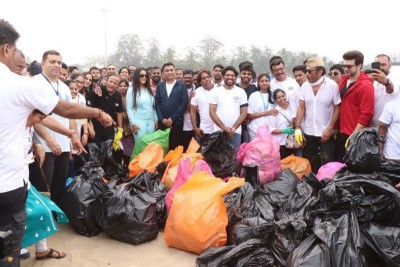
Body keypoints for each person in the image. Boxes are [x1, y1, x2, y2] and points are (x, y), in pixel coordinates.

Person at [0, 18, 112, 266]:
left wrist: (67, 134)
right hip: (7, 185)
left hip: (27, 161)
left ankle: (40, 245)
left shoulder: (50, 85)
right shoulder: (21, 84)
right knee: (7, 252)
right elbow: (64, 110)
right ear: (5, 49)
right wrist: (98, 113)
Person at [294, 57, 341, 173]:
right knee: (309, 160)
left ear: (320, 72)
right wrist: (298, 127)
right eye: (306, 71)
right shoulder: (305, 86)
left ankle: (326, 185)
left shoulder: (331, 86)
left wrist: (330, 128)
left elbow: (337, 108)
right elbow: (301, 106)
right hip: (309, 130)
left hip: (325, 131)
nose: (307, 74)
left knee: (327, 160)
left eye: (310, 71)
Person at [336, 50, 374, 161]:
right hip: (341, 130)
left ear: (359, 66)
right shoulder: (344, 79)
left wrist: (354, 135)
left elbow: (367, 113)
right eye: (344, 66)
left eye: (349, 66)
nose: (346, 69)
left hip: (355, 133)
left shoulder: (365, 85)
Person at [209, 66, 248, 152]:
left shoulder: (241, 92)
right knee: (219, 160)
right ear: (223, 76)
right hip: (219, 132)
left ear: (236, 77)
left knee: (234, 161)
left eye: (232, 75)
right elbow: (212, 112)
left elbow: (244, 112)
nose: (230, 77)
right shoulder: (215, 91)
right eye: (227, 75)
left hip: (235, 133)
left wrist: (233, 128)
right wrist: (224, 128)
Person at [155, 62, 188, 150]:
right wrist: (162, 119)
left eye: (171, 70)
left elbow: (184, 103)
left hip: (176, 122)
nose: (169, 72)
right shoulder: (160, 86)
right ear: (163, 73)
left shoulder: (181, 85)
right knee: (162, 147)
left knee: (175, 148)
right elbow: (157, 104)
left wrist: (172, 118)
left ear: (174, 71)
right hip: (162, 123)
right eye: (167, 70)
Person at [126, 68, 157, 143]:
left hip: (151, 121)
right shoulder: (132, 90)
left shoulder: (148, 89)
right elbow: (129, 108)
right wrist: (133, 123)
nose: (144, 77)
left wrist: (156, 119)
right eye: (141, 75)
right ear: (137, 76)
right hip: (138, 122)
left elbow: (152, 106)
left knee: (150, 146)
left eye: (146, 76)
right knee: (141, 145)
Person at [369, 54, 399, 128]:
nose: (381, 68)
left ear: (390, 66)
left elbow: (391, 90)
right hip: (373, 127)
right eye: (378, 65)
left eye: (383, 64)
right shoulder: (374, 83)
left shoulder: (395, 79)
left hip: (389, 129)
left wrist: (386, 82)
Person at [247, 73, 277, 140]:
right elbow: (250, 115)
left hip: (272, 130)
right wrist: (267, 113)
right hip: (255, 130)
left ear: (269, 82)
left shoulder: (273, 95)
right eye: (262, 81)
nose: (264, 83)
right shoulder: (253, 96)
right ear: (258, 83)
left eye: (266, 81)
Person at [190, 69, 215, 144]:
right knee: (201, 155)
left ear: (211, 78)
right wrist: (195, 127)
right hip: (203, 130)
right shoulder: (196, 93)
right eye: (203, 78)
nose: (207, 79)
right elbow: (192, 111)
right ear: (200, 82)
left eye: (208, 77)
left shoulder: (219, 89)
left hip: (218, 129)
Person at [270, 89, 295, 159]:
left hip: (291, 142)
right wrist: (284, 131)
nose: (282, 98)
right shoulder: (275, 112)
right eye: (279, 97)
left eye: (283, 96)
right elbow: (271, 129)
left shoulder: (291, 108)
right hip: (280, 143)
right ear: (275, 100)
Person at [182, 70, 196, 150]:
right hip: (183, 126)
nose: (187, 79)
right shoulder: (179, 89)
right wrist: (189, 98)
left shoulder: (197, 89)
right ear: (183, 78)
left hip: (195, 125)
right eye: (185, 78)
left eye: (189, 78)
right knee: (185, 148)